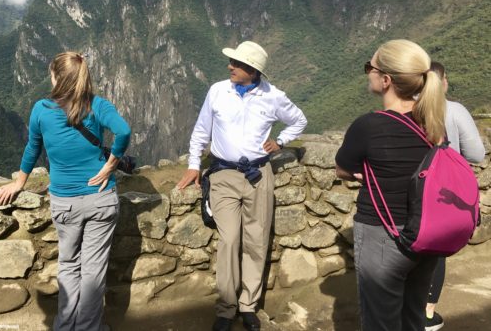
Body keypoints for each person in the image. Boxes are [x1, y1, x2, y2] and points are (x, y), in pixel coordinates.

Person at [176, 41, 307, 331]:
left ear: (252, 70)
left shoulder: (273, 97)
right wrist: (194, 164)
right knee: (230, 239)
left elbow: (298, 120)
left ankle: (248, 305)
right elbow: (201, 131)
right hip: (223, 174)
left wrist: (281, 141)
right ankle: (226, 307)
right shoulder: (217, 91)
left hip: (258, 174)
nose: (230, 67)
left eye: (236, 64)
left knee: (256, 241)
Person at [0, 52, 131, 331]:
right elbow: (124, 131)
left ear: (56, 76)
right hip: (100, 199)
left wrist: (20, 182)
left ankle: (64, 326)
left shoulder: (41, 110)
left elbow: (33, 148)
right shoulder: (96, 105)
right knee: (93, 270)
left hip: (65, 202)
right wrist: (111, 165)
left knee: (69, 265)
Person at [335, 39, 445, 331]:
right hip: (426, 235)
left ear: (385, 80)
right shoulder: (433, 123)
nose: (367, 73)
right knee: (412, 317)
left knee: (380, 322)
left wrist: (365, 173)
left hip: (383, 236)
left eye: (369, 67)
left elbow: (343, 169)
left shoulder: (369, 126)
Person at [424, 61, 485, 331]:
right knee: (436, 253)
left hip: (412, 190)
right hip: (444, 194)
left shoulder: (405, 109)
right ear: (443, 81)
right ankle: (426, 314)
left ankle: (406, 308)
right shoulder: (454, 110)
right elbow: (477, 155)